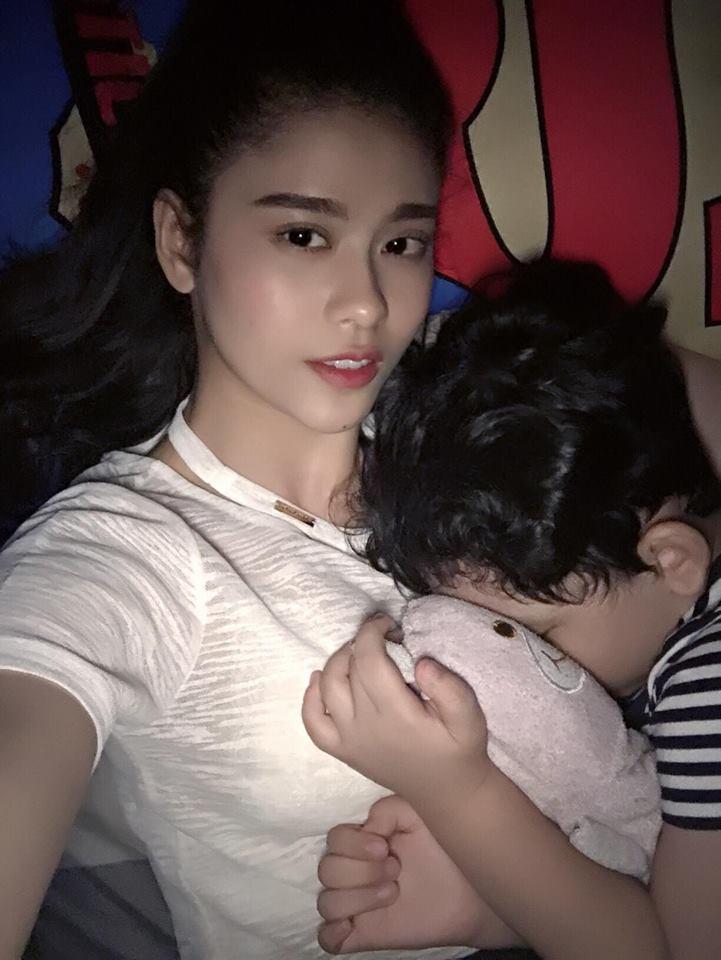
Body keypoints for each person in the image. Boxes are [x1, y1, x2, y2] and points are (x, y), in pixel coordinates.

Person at [0, 3, 484, 959]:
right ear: (181, 242)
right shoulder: (127, 554)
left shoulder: (473, 413)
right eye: (303, 236)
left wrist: (504, 903)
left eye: (401, 244)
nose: (366, 304)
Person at [302, 260, 721, 960]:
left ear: (671, 561)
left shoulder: (708, 685)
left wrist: (456, 793)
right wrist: (492, 910)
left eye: (539, 633)